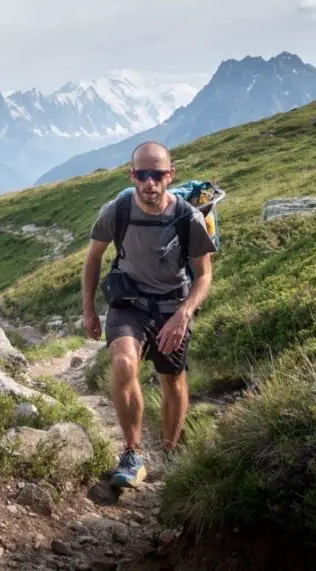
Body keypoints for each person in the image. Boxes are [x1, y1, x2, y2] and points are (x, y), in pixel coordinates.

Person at [81, 141, 217, 488]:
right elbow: (93, 257)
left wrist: (184, 314)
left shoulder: (188, 217)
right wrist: (89, 310)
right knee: (124, 362)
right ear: (132, 175)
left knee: (171, 378)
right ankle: (131, 451)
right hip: (129, 303)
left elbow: (204, 275)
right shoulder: (117, 210)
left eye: (157, 174)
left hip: (174, 306)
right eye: (142, 174)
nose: (149, 182)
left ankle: (170, 452)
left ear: (170, 176)